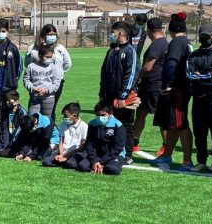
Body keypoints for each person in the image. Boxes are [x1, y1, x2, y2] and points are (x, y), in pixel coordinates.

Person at [152, 13, 194, 170]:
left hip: (177, 88)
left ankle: (187, 160)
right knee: (173, 124)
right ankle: (167, 155)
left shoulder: (177, 42)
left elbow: (171, 64)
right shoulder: (186, 41)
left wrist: (166, 83)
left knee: (181, 124)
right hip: (182, 87)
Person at [186, 24, 212, 173]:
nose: (205, 39)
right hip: (199, 99)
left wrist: (200, 76)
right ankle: (201, 161)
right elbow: (190, 75)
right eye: (202, 36)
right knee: (200, 132)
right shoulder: (193, 56)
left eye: (208, 36)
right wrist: (210, 75)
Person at [99, 20, 140, 162]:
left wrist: (123, 95)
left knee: (126, 125)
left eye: (112, 32)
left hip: (124, 97)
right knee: (110, 122)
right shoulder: (111, 51)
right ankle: (112, 150)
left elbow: (131, 74)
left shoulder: (130, 52)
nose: (111, 35)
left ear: (120, 33)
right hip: (109, 96)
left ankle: (127, 154)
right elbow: (104, 73)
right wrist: (102, 94)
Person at [133, 16, 167, 153]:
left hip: (153, 85)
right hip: (151, 85)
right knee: (141, 113)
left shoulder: (157, 44)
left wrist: (136, 78)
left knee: (160, 117)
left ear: (149, 30)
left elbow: (147, 67)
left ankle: (166, 146)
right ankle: (134, 142)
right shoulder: (163, 42)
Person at [0, 18, 22, 146]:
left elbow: (19, 68)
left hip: (8, 89)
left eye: (3, 31)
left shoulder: (12, 48)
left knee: (11, 114)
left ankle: (14, 140)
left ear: (7, 31)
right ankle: (2, 141)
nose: (0, 33)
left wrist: (12, 83)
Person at [26, 24, 73, 112]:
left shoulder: (60, 48)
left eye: (54, 34)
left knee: (51, 110)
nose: (52, 36)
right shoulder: (33, 48)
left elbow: (67, 63)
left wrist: (58, 73)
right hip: (36, 83)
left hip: (55, 83)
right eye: (50, 34)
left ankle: (50, 125)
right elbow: (27, 63)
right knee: (34, 110)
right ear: (43, 35)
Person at [69, 102, 126, 175]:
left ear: (110, 113)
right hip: (97, 154)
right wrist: (94, 161)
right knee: (83, 166)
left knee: (112, 169)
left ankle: (111, 164)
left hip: (113, 155)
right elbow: (89, 144)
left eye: (103, 115)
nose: (100, 118)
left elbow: (118, 147)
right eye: (97, 115)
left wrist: (102, 162)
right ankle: (98, 165)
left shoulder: (118, 125)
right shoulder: (92, 124)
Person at [43, 102, 89, 168]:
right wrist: (61, 154)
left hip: (75, 152)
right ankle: (61, 161)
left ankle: (64, 161)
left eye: (66, 116)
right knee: (46, 161)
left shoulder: (84, 126)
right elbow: (61, 141)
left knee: (70, 164)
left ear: (75, 115)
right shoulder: (63, 124)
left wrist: (66, 155)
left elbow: (82, 146)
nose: (64, 118)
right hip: (62, 150)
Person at [23, 43, 64, 117]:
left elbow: (56, 83)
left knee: (47, 120)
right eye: (47, 57)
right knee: (31, 118)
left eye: (51, 57)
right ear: (40, 56)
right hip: (34, 97)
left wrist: (46, 90)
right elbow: (26, 80)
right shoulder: (31, 66)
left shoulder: (55, 67)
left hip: (49, 98)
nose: (49, 59)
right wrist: (33, 89)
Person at [0, 91, 27, 157]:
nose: (7, 103)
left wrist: (11, 143)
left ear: (16, 101)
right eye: (6, 101)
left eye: (9, 101)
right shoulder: (5, 111)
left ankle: (10, 151)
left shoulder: (22, 112)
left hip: (18, 139)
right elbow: (4, 127)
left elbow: (19, 130)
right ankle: (7, 151)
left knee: (11, 151)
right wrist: (5, 143)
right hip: (8, 138)